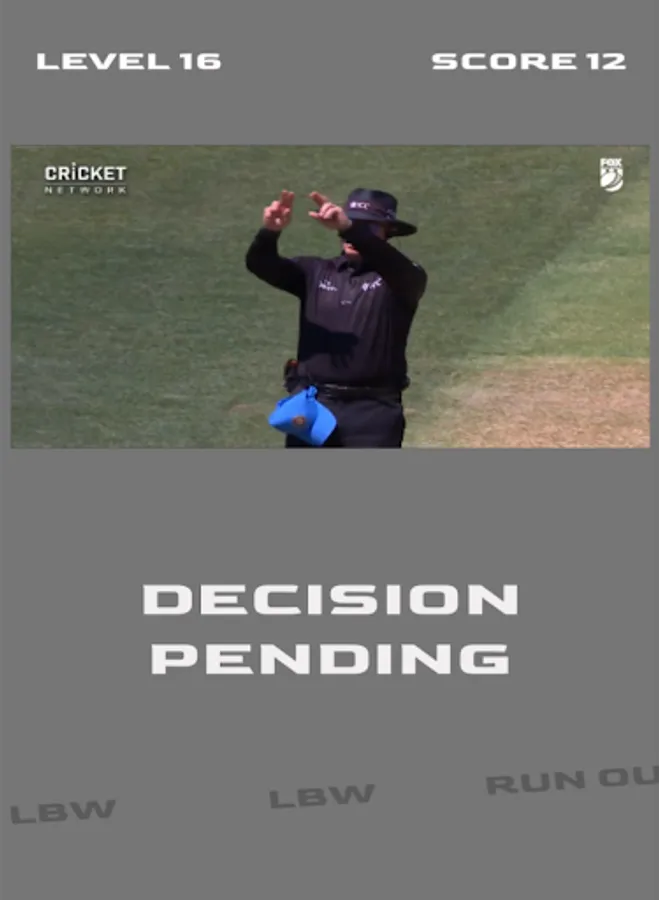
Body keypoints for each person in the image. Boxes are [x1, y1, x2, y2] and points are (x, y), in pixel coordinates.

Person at [245, 188, 427, 448]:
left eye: (367, 226)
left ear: (388, 232)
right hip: (314, 407)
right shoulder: (315, 272)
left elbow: (394, 264)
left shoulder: (403, 278)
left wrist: (350, 228)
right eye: (351, 222)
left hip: (373, 413)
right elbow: (260, 264)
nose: (352, 233)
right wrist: (269, 232)